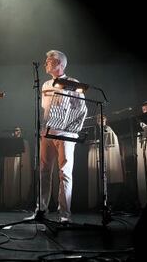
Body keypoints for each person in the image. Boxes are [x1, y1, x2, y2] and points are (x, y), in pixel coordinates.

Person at [26, 50, 87, 223]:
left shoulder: (73, 83)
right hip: (47, 133)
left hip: (65, 133)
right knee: (44, 172)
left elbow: (81, 108)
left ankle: (64, 215)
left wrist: (72, 129)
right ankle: (41, 210)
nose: (45, 62)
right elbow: (44, 110)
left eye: (49, 60)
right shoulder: (45, 85)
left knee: (65, 172)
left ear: (60, 63)